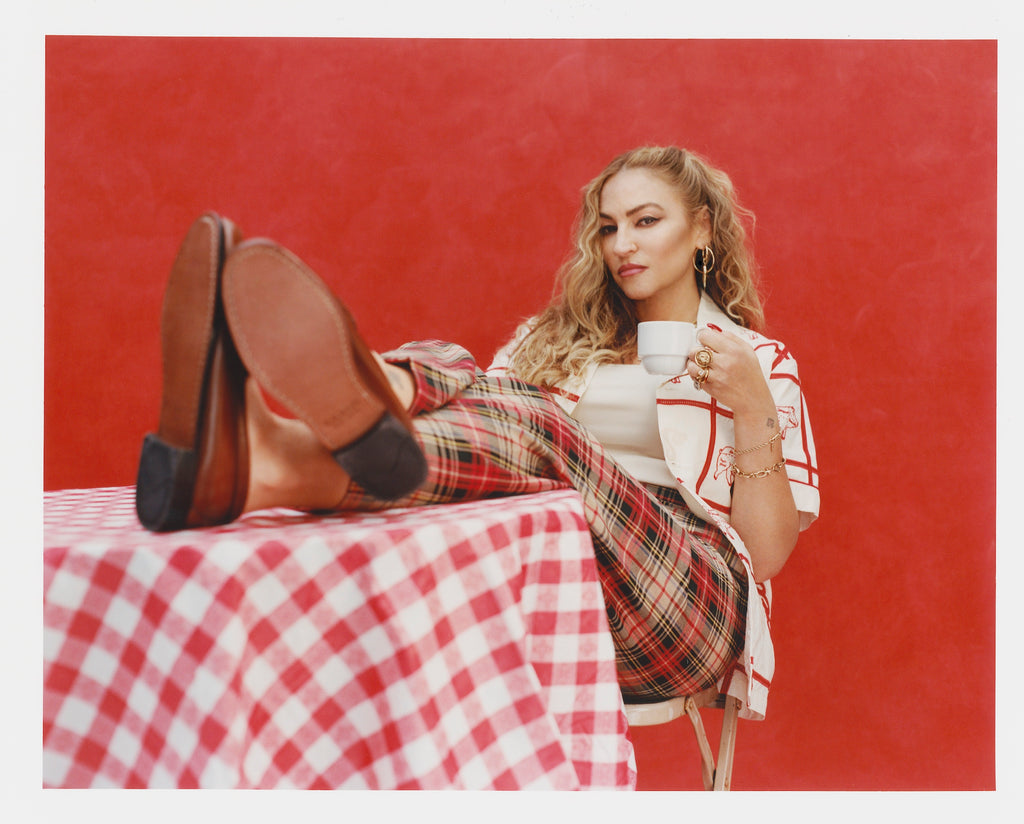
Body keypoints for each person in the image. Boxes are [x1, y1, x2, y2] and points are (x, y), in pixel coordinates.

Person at [135, 146, 819, 717]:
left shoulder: (757, 362)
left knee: (537, 420)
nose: (623, 245)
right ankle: (292, 449)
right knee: (462, 369)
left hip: (690, 607)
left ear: (701, 229)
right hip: (547, 575)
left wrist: (752, 408)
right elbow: (490, 431)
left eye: (644, 221)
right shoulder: (551, 340)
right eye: (608, 227)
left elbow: (765, 556)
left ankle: (307, 429)